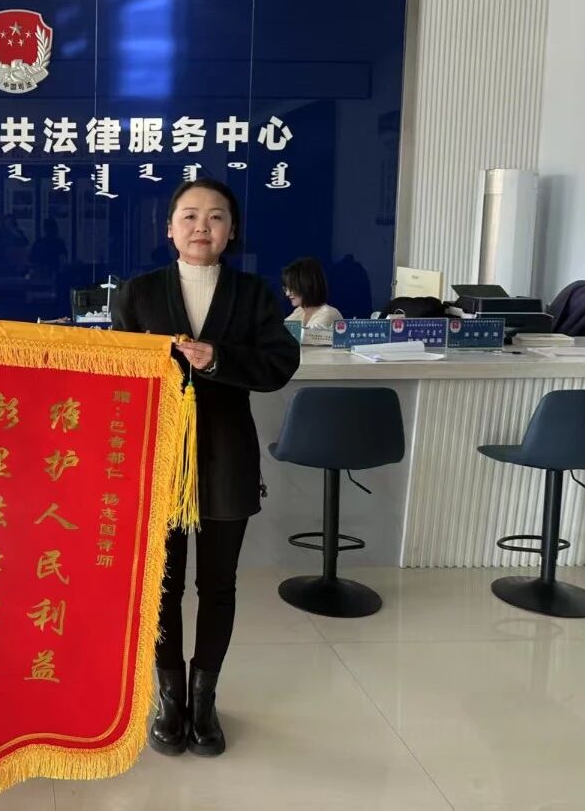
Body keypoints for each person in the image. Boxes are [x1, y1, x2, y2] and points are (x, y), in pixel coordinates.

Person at [112, 179, 299, 758]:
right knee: (162, 585)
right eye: (189, 216)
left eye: (215, 217)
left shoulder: (253, 294)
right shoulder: (138, 294)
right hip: (159, 457)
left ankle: (205, 697)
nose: (201, 227)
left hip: (226, 453)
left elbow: (279, 365)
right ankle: (169, 697)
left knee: (218, 584)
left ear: (231, 230)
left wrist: (217, 358)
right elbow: (116, 374)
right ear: (169, 228)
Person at [282, 257, 343, 329]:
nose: (287, 294)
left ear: (307, 285)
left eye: (292, 288)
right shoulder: (299, 311)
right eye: (286, 289)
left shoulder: (327, 314)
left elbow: (306, 335)